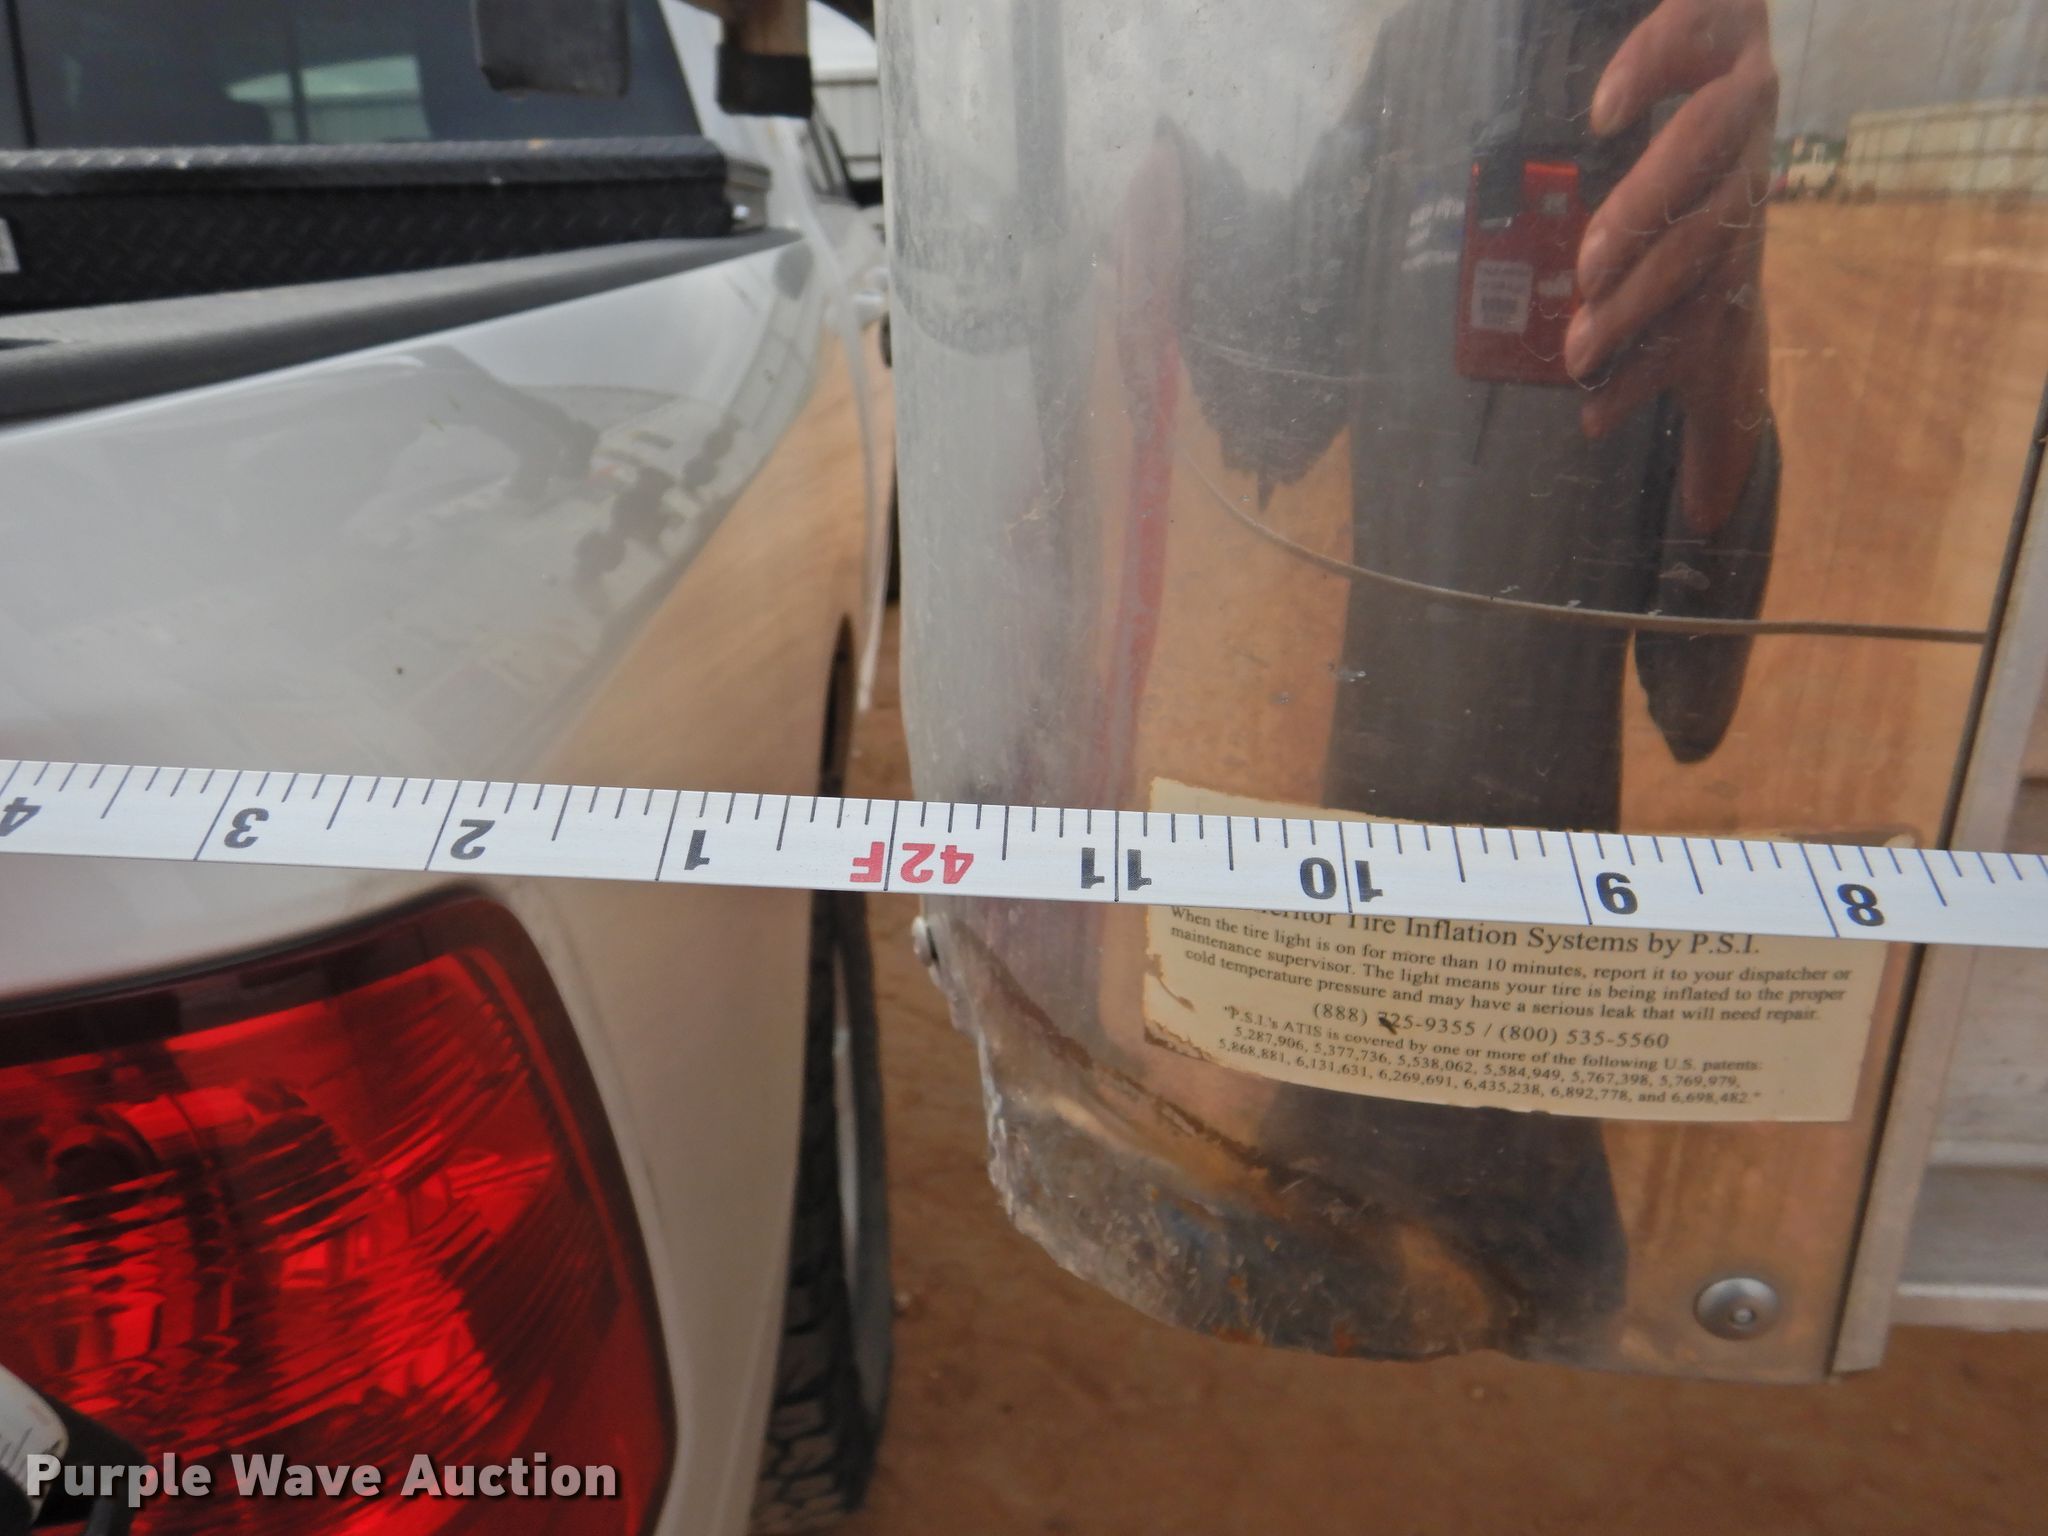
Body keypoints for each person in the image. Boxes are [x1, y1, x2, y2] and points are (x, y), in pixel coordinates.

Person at [1126, 0, 1783, 1356]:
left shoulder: (1700, 56)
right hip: (1347, 969)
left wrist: (1735, 356)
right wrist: (1155, 139)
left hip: (1537, 1006)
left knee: (1559, 1355)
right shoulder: (1425, 47)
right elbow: (1278, 390)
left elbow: (1697, 691)